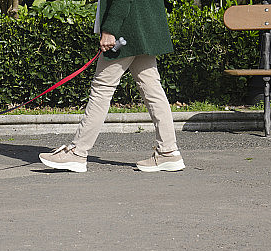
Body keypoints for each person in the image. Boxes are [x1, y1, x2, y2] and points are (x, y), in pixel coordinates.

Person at [39, 0, 184, 173]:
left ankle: (77, 152)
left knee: (102, 88)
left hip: (127, 27)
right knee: (152, 88)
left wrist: (110, 29)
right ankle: (168, 151)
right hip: (142, 25)